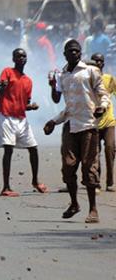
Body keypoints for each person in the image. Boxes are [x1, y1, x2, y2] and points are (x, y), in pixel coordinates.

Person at [43, 39, 108, 223]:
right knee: (68, 167)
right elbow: (63, 105)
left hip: (88, 126)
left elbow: (103, 94)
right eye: (70, 51)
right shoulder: (63, 75)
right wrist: (53, 121)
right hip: (70, 126)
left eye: (76, 51)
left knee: (89, 168)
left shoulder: (90, 71)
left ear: (80, 53)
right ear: (64, 54)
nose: (73, 53)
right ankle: (74, 203)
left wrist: (102, 107)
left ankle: (93, 209)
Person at [0, 48, 48, 197]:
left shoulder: (28, 81)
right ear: (13, 59)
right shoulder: (7, 72)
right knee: (8, 149)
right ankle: (6, 186)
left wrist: (31, 107)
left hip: (20, 117)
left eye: (24, 56)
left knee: (33, 148)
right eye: (18, 56)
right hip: (5, 115)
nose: (21, 58)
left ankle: (35, 180)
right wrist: (3, 87)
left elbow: (25, 104)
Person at [89, 53, 116, 192]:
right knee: (94, 153)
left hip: (109, 121)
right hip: (93, 123)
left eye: (100, 61)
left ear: (103, 64)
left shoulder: (109, 79)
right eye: (95, 61)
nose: (98, 63)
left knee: (110, 149)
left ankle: (110, 182)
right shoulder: (86, 80)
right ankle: (96, 182)